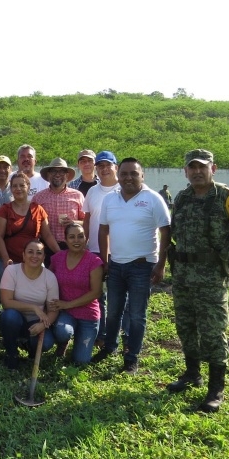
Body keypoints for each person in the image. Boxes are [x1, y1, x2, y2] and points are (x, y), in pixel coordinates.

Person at [166, 149, 229, 413]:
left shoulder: (228, 197)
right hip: (183, 275)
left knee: (213, 331)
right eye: (191, 168)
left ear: (213, 169)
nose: (196, 172)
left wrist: (227, 261)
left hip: (213, 278)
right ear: (185, 171)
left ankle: (216, 389)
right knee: (186, 326)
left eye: (202, 167)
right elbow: (175, 231)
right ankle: (192, 373)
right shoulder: (182, 198)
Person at [92, 157, 171, 375]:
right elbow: (103, 230)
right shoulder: (110, 199)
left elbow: (166, 231)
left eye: (133, 173)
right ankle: (109, 347)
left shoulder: (153, 199)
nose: (128, 177)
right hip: (116, 265)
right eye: (124, 173)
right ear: (118, 175)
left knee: (137, 314)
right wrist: (105, 260)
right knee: (113, 312)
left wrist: (161, 264)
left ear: (142, 176)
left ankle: (131, 357)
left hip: (142, 266)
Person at [0, 240, 61, 369]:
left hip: (36, 322)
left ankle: (27, 345)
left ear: (44, 257)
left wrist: (43, 325)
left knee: (46, 343)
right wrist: (33, 307)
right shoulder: (11, 271)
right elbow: (6, 302)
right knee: (8, 317)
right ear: (23, 255)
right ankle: (12, 353)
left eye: (39, 253)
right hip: (16, 318)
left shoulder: (50, 277)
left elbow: (53, 310)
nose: (34, 256)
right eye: (30, 252)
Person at [48, 222, 104, 366]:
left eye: (80, 236)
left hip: (88, 315)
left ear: (86, 238)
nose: (76, 240)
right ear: (65, 240)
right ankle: (63, 342)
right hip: (66, 313)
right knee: (62, 332)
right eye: (72, 237)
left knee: (81, 361)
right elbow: (47, 280)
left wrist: (68, 303)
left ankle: (81, 339)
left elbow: (96, 292)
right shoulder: (57, 258)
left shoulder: (94, 261)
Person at [82, 151, 120, 341]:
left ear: (116, 167)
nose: (104, 169)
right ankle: (100, 334)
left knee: (118, 297)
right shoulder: (92, 191)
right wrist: (84, 244)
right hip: (95, 250)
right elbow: (87, 220)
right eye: (101, 166)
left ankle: (118, 337)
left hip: (120, 251)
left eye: (108, 165)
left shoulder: (124, 189)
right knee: (98, 296)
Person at [0, 172, 60, 272]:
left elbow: (47, 235)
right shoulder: (5, 210)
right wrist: (6, 259)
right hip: (11, 261)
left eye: (22, 185)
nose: (18, 189)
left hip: (33, 260)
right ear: (11, 189)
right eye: (15, 186)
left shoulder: (38, 209)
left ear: (28, 187)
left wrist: (60, 254)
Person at [33, 157, 84, 266]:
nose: (57, 174)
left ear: (67, 175)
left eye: (61, 171)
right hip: (47, 247)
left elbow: (86, 221)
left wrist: (74, 222)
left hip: (72, 246)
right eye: (54, 171)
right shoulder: (38, 198)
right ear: (48, 175)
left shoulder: (77, 195)